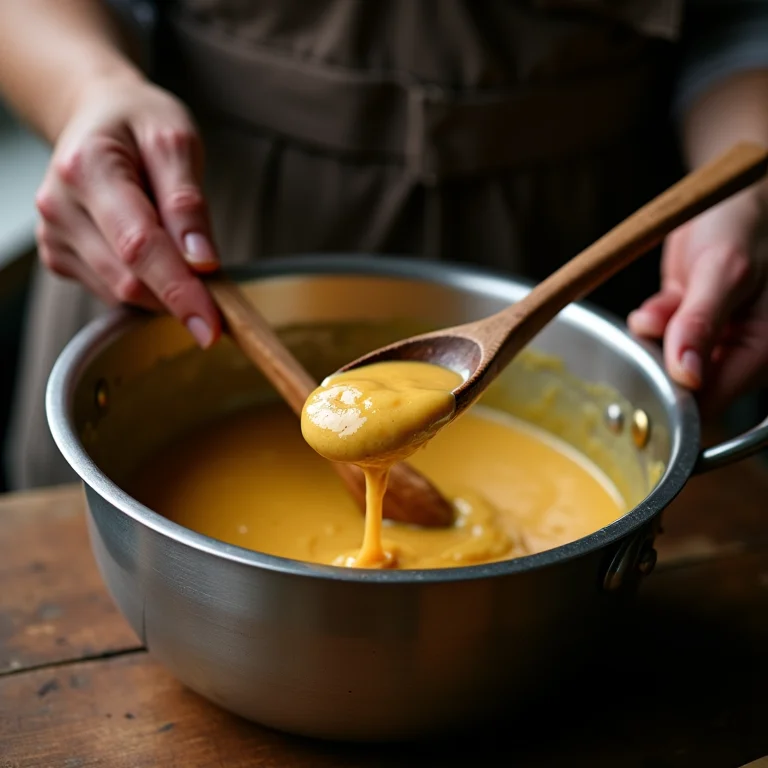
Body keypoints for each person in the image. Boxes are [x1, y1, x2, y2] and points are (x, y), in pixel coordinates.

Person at [1, 0, 767, 489]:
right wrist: (86, 87)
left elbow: (740, 20)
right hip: (190, 227)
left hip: (590, 237)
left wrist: (750, 184)